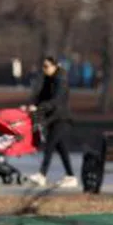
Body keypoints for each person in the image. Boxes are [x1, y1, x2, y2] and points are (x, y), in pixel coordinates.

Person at [26, 56, 77, 188]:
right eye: (43, 67)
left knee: (50, 145)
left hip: (61, 118)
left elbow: (56, 100)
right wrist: (31, 105)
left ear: (55, 66)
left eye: (47, 67)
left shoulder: (61, 80)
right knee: (61, 148)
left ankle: (42, 175)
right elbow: (41, 95)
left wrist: (40, 108)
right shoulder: (50, 79)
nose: (44, 69)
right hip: (52, 117)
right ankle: (71, 176)